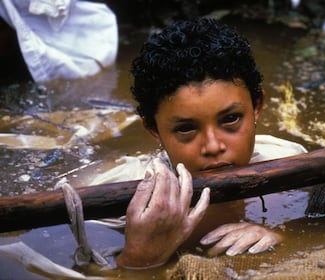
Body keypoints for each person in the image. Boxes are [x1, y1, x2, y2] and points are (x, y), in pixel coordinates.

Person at [110, 17, 307, 269]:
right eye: (186, 128)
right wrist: (139, 258)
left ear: (257, 107)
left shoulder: (292, 164)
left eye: (231, 119)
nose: (213, 146)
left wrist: (280, 237)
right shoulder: (119, 203)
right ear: (154, 130)